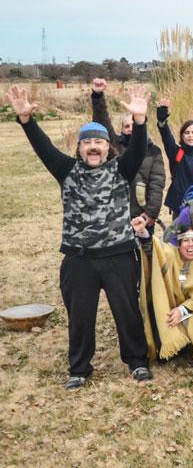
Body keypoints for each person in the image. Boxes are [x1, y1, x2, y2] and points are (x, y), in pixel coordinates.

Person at [9, 84, 153, 389]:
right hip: (79, 259)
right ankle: (79, 369)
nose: (93, 147)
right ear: (80, 147)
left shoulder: (121, 170)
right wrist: (26, 120)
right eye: (87, 142)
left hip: (119, 256)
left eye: (99, 142)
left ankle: (138, 363)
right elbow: (43, 147)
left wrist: (140, 122)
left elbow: (139, 150)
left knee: (127, 313)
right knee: (80, 317)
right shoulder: (66, 170)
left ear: (107, 146)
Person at [133, 217, 193, 367]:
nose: (191, 245)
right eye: (186, 240)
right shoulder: (171, 254)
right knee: (161, 314)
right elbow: (155, 248)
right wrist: (142, 231)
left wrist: (183, 309)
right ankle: (174, 346)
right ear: (179, 244)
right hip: (172, 307)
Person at [90, 78, 166, 229]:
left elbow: (157, 183)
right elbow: (102, 122)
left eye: (133, 124)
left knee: (144, 251)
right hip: (113, 214)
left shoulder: (153, 151)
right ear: (122, 129)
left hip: (141, 216)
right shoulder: (114, 145)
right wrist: (98, 97)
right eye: (126, 126)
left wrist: (151, 212)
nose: (130, 129)